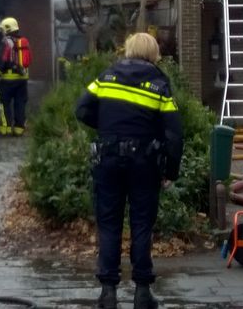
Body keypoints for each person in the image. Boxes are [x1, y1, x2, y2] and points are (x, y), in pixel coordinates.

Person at [75, 32, 183, 309]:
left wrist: (108, 128)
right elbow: (173, 133)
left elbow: (81, 109)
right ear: (154, 53)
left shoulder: (107, 76)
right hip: (144, 165)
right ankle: (142, 293)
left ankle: (108, 294)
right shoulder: (159, 83)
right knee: (141, 226)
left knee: (109, 224)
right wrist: (170, 171)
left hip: (108, 161)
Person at [0, 16, 31, 136]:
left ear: (7, 28)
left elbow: (3, 60)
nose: (2, 32)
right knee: (20, 104)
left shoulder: (6, 42)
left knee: (4, 103)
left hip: (8, 81)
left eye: (3, 29)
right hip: (22, 80)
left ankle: (6, 129)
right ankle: (19, 129)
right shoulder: (23, 41)